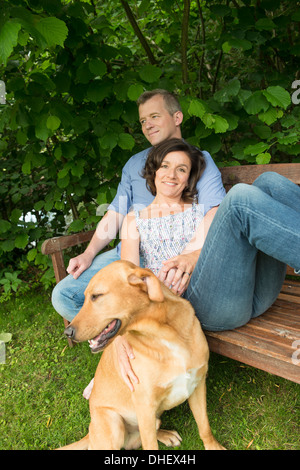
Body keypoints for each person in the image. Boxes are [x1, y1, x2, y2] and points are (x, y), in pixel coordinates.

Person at [51, 89, 225, 321]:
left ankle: (146, 330)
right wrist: (89, 252)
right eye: (143, 120)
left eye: (154, 116)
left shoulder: (196, 161)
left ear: (177, 118)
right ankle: (124, 337)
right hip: (128, 253)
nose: (147, 125)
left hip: (177, 249)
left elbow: (215, 211)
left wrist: (187, 256)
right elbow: (115, 214)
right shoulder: (134, 164)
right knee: (64, 295)